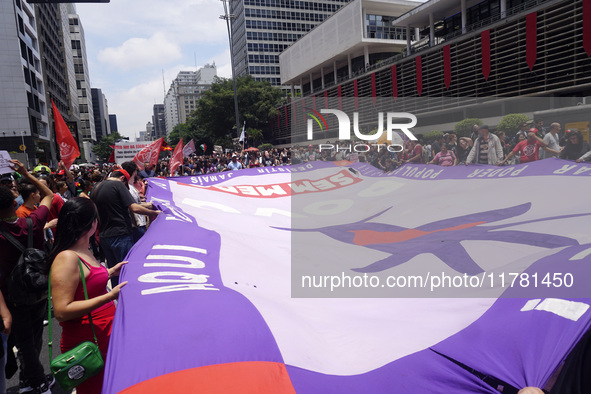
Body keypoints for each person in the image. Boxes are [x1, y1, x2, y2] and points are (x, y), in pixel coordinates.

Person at [48, 198, 127, 394]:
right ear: (91, 223)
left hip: (103, 335)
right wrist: (110, 296)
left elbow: (85, 283)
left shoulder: (84, 249)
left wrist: (108, 273)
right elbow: (61, 311)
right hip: (87, 341)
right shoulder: (66, 257)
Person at [0, 160, 54, 394]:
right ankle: (36, 380)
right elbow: (49, 194)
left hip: (13, 295)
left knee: (24, 340)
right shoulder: (34, 221)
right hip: (39, 288)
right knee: (34, 336)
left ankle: (30, 378)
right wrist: (25, 173)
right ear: (16, 202)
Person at [91, 161, 160, 286]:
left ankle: (117, 300)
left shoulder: (96, 187)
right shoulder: (118, 185)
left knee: (114, 272)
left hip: (104, 237)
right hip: (120, 235)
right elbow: (134, 208)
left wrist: (149, 205)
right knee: (127, 270)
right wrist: (155, 213)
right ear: (123, 178)